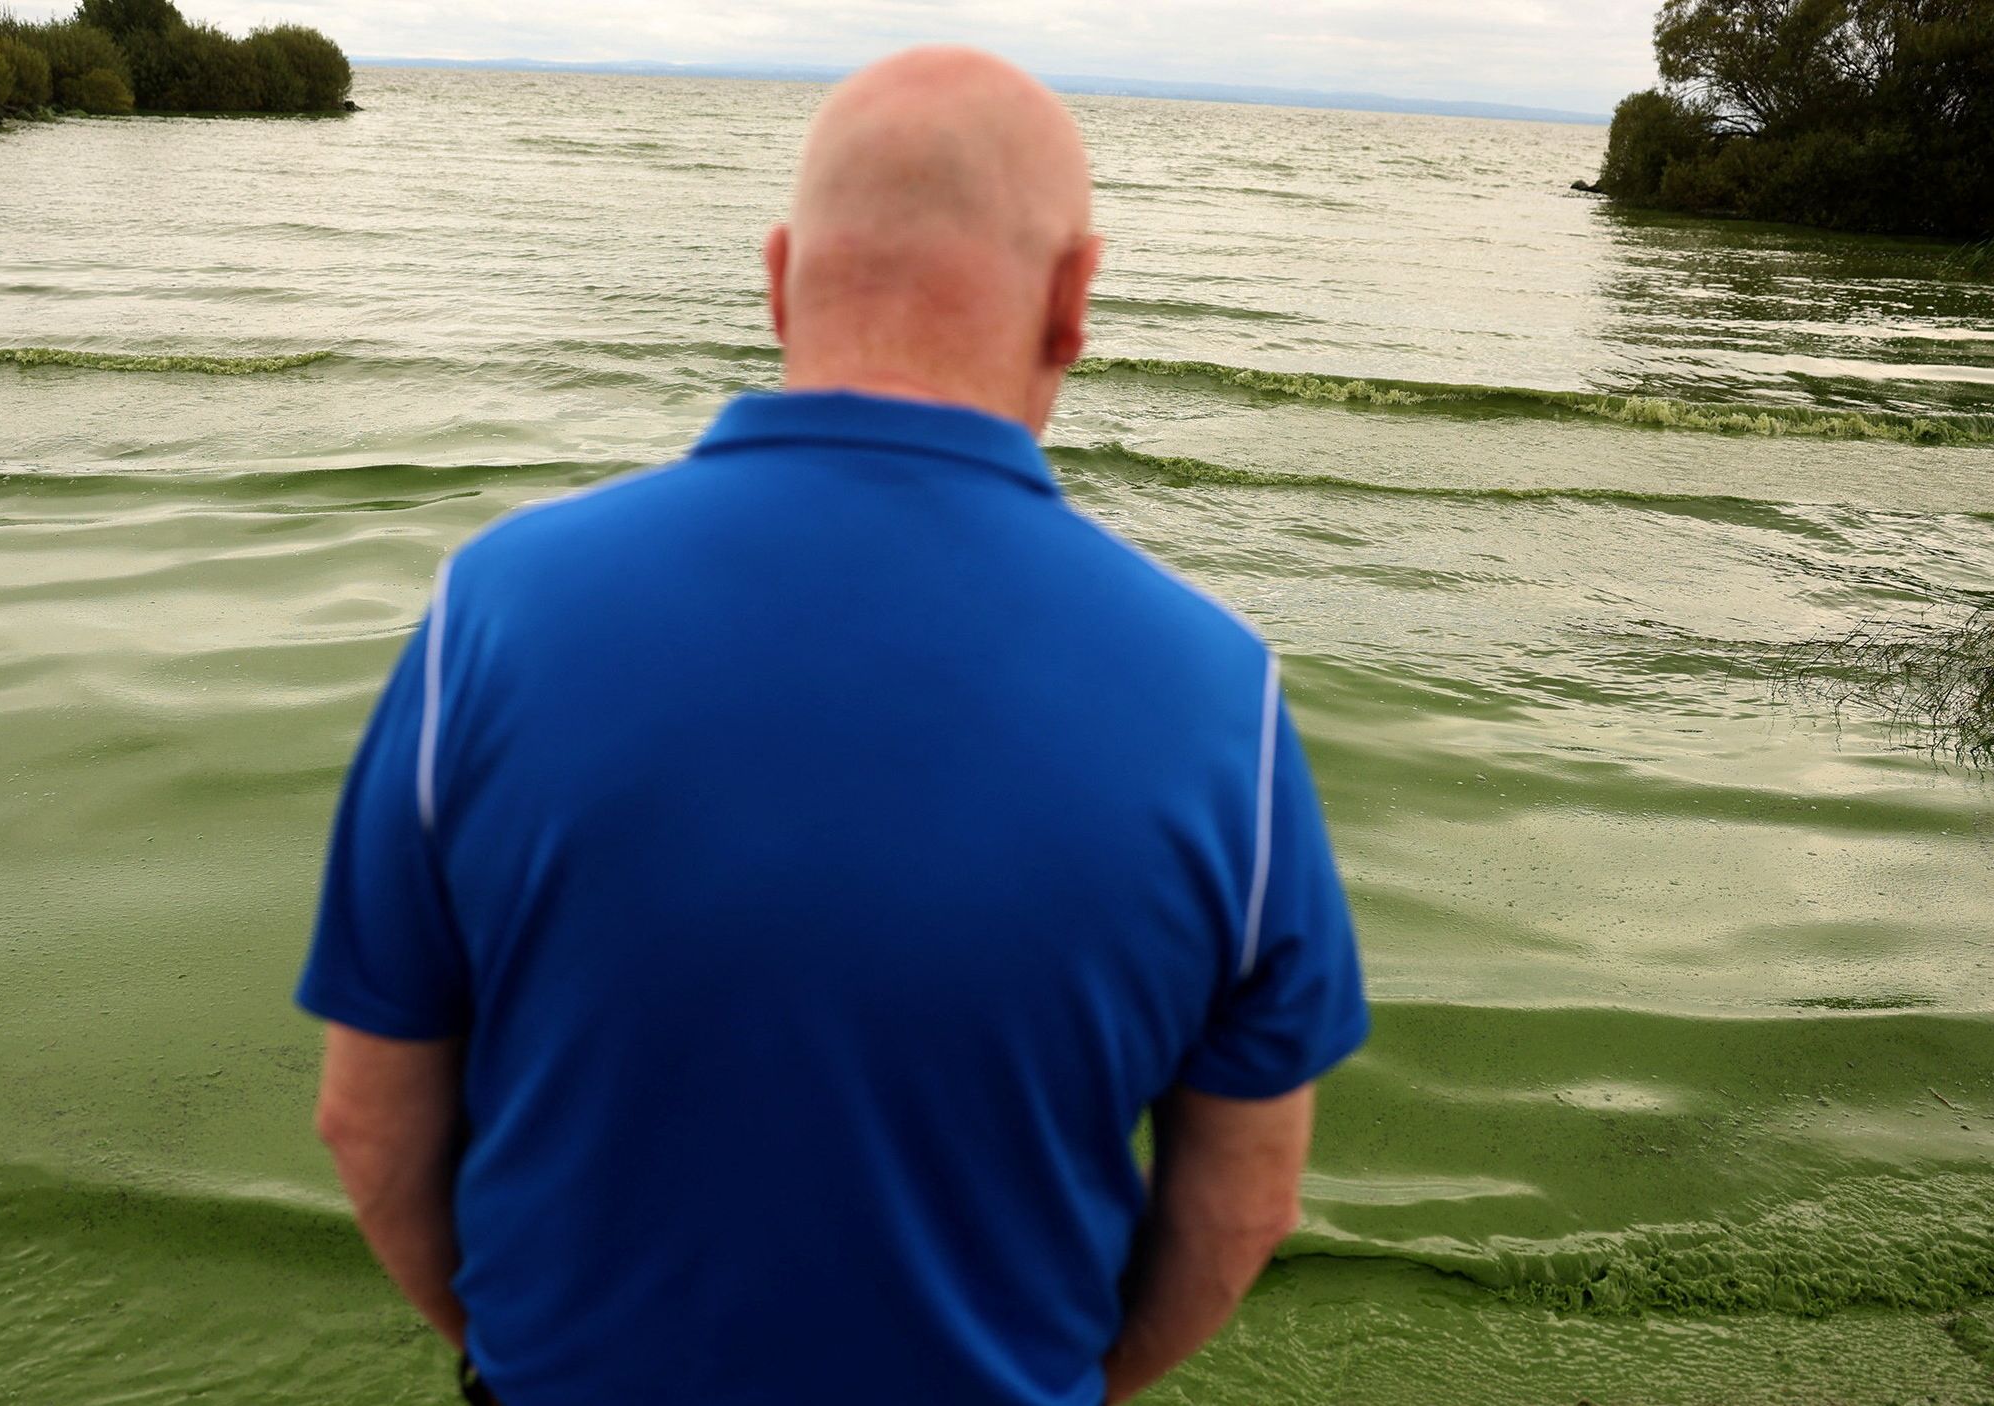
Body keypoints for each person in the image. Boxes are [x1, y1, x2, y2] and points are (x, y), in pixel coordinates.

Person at [297, 45, 1367, 1406]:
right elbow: (1243, 1206)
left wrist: (517, 1363)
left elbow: (367, 1121)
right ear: (1074, 299)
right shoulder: (1226, 699)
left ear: (780, 273)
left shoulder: (488, 617)